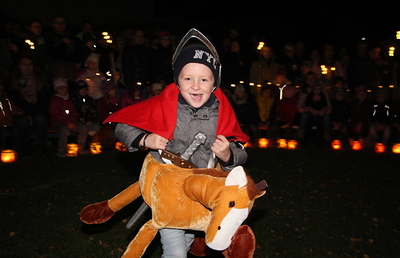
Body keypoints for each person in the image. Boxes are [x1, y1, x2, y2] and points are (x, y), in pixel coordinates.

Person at [104, 28, 249, 258]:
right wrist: (145, 139)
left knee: (189, 237)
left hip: (198, 191)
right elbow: (123, 125)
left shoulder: (222, 111)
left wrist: (227, 156)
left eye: (204, 79)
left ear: (214, 84)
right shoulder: (164, 103)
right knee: (176, 252)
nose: (195, 85)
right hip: (169, 189)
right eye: (187, 78)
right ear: (178, 81)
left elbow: (240, 150)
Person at [8, 54, 49, 156]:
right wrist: (26, 113)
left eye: (30, 65)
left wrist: (32, 113)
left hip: (37, 109)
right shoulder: (13, 81)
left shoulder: (40, 79)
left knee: (40, 119)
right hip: (21, 110)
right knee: (22, 121)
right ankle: (25, 145)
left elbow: (43, 100)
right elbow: (16, 100)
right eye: (24, 65)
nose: (27, 68)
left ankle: (42, 145)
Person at [48, 77, 89, 157]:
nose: (63, 90)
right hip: (58, 122)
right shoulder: (54, 101)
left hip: (71, 121)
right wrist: (67, 122)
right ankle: (61, 150)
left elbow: (74, 112)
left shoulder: (69, 100)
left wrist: (74, 121)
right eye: (60, 88)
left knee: (83, 127)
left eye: (64, 88)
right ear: (56, 90)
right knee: (64, 130)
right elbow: (55, 115)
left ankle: (81, 148)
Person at [45, 15, 83, 82]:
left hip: (71, 76)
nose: (60, 25)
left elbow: (79, 56)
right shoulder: (49, 39)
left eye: (63, 23)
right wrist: (65, 44)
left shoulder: (73, 39)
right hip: (55, 77)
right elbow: (54, 54)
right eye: (58, 23)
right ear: (53, 25)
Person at [95, 80, 121, 150]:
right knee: (106, 131)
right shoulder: (102, 101)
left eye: (115, 89)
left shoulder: (116, 101)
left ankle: (113, 145)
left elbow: (118, 111)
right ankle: (105, 146)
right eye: (112, 89)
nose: (114, 91)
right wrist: (110, 121)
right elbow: (102, 113)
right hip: (105, 122)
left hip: (114, 122)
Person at [0, 82, 24, 154]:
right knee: (4, 134)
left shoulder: (6, 100)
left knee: (15, 133)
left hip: (9, 124)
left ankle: (18, 152)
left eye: (1, 90)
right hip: (1, 125)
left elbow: (13, 109)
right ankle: (3, 151)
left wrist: (19, 112)